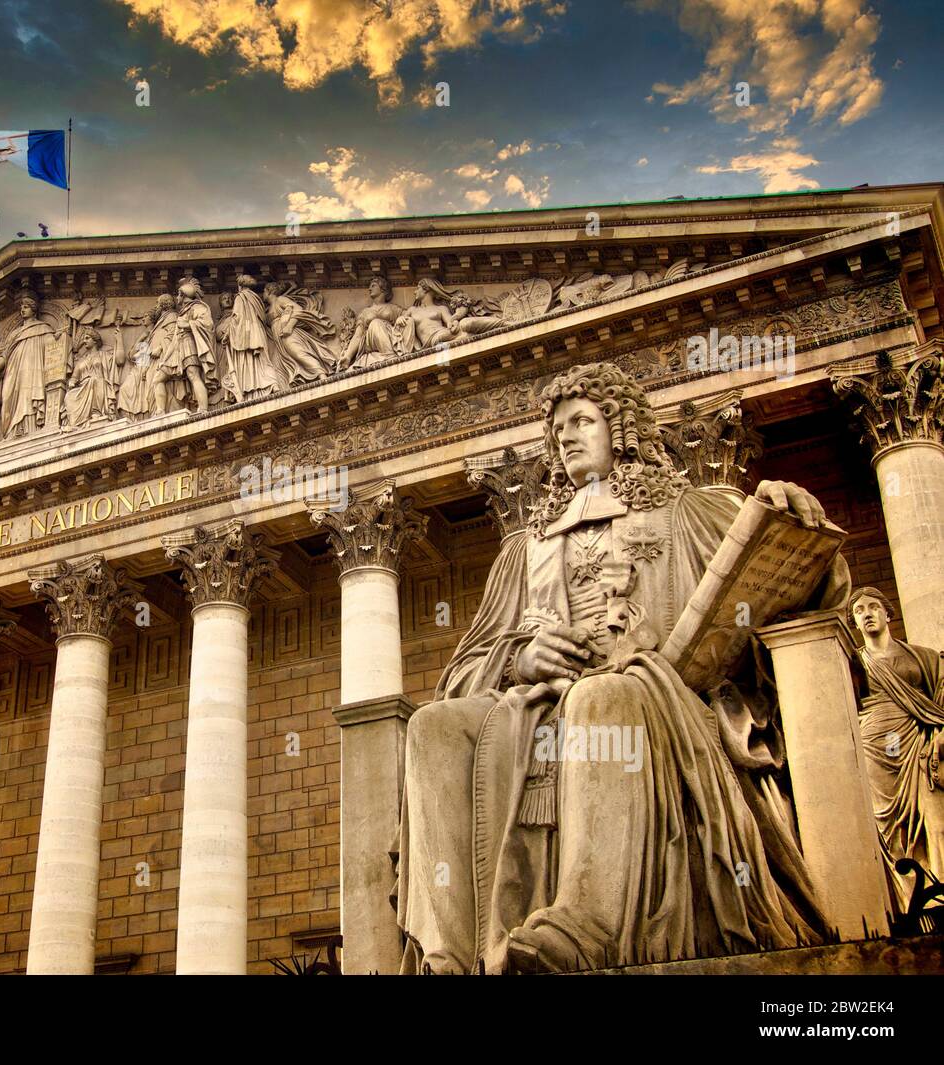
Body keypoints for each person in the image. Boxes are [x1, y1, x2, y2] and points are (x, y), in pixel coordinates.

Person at [395, 361, 848, 974]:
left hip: (662, 702)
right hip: (537, 708)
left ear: (622, 428)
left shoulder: (689, 513)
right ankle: (450, 953)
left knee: (601, 699)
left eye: (583, 421)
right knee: (434, 726)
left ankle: (587, 926)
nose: (568, 438)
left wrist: (794, 513)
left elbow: (802, 579)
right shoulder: (526, 551)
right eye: (558, 432)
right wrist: (521, 656)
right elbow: (467, 666)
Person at [849, 586, 944, 908]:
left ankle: (940, 891)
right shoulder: (853, 664)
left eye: (873, 607)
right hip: (876, 745)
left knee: (937, 820)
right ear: (855, 623)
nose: (867, 613)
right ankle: (914, 903)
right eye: (859, 611)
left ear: (888, 614)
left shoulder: (922, 656)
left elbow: (940, 695)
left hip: (919, 741)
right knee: (891, 827)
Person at [0, 292, 58, 438]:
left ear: (34, 309)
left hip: (33, 367)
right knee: (9, 396)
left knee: (29, 394)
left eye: (26, 307)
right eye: (21, 307)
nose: (22, 310)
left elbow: (54, 348)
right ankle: (12, 431)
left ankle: (29, 429)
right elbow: (4, 356)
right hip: (13, 371)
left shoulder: (43, 328)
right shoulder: (15, 334)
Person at [151, 277, 214, 414]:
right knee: (158, 379)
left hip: (189, 346)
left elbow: (207, 324)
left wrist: (187, 324)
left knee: (193, 375)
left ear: (183, 295)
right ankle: (160, 411)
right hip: (176, 351)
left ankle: (203, 409)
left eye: (178, 294)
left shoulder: (197, 307)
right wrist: (165, 358)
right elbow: (173, 340)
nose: (176, 299)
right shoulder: (182, 312)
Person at [339, 274, 403, 370]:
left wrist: (401, 318)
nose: (369, 289)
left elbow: (410, 315)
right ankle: (390, 356)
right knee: (375, 323)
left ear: (383, 288)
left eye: (373, 285)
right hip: (371, 342)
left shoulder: (393, 308)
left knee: (376, 323)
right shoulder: (365, 312)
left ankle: (390, 355)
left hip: (391, 338)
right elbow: (358, 335)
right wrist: (348, 356)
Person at [64, 326, 120, 428]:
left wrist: (119, 339)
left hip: (99, 384)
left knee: (95, 381)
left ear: (95, 341)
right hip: (83, 387)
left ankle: (96, 412)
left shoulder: (104, 355)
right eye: (84, 338)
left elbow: (120, 360)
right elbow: (74, 377)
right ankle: (76, 423)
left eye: (87, 338)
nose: (84, 341)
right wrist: (71, 382)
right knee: (69, 396)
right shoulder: (81, 360)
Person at [392, 277, 460, 354]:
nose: (415, 292)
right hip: (430, 341)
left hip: (441, 334)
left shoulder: (441, 308)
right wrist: (399, 319)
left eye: (418, 288)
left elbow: (450, 321)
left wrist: (454, 323)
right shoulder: (412, 310)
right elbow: (402, 322)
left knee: (462, 328)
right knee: (441, 339)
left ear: (426, 290)